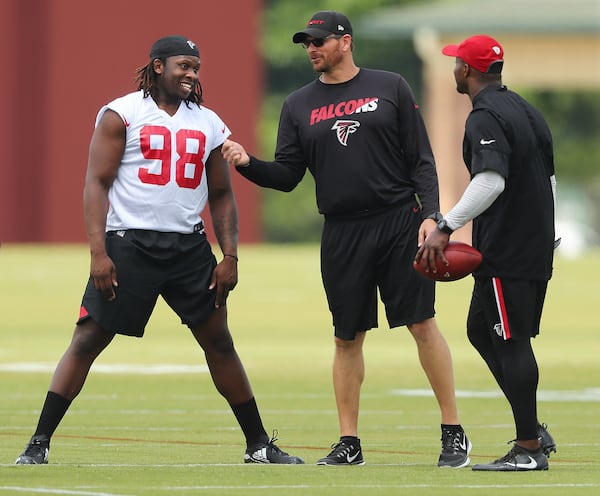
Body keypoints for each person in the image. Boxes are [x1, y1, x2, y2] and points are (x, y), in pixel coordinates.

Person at [15, 35, 304, 466]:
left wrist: (230, 255)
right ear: (157, 66)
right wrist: (99, 253)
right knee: (89, 339)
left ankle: (258, 444)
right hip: (130, 242)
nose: (190, 74)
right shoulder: (123, 113)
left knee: (219, 341)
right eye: (183, 66)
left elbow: (222, 195)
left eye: (195, 68)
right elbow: (96, 183)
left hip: (188, 247)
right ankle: (38, 442)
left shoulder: (207, 122)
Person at [222, 11, 471, 468]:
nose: (312, 48)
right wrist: (246, 163)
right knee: (346, 337)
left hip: (400, 220)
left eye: (319, 40)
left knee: (421, 323)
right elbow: (287, 175)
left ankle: (453, 431)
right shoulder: (297, 104)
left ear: (345, 42)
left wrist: (432, 214)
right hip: (341, 230)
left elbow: (421, 158)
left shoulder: (390, 85)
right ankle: (349, 442)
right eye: (306, 43)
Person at [415, 34, 558, 471]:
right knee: (482, 329)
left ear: (467, 71)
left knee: (511, 341)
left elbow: (491, 181)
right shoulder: (526, 110)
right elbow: (548, 178)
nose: (453, 68)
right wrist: (548, 233)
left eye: (456, 62)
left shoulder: (485, 117)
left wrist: (445, 225)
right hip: (530, 244)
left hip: (510, 248)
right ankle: (533, 425)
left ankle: (529, 447)